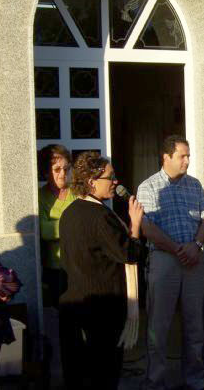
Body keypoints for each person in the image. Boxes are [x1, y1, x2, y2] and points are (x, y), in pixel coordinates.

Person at [59, 151, 144, 390]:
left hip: (75, 305)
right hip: (101, 310)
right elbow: (130, 254)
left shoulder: (69, 213)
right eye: (110, 177)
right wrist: (135, 225)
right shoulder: (100, 217)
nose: (116, 181)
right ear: (91, 182)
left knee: (77, 375)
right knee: (103, 375)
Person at [137, 135, 204, 390]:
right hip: (164, 260)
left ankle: (195, 380)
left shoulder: (195, 185)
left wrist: (197, 246)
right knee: (159, 324)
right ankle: (155, 382)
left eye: (189, 155)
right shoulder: (148, 187)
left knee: (194, 325)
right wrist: (178, 249)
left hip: (194, 259)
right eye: (182, 156)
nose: (188, 161)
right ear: (166, 157)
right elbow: (146, 226)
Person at [38, 144, 76, 307]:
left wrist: (56, 225)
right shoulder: (40, 197)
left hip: (79, 263)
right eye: (57, 169)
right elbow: (44, 230)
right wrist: (73, 223)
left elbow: (87, 224)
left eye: (66, 169)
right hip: (56, 268)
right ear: (46, 172)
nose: (63, 174)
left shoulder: (77, 192)